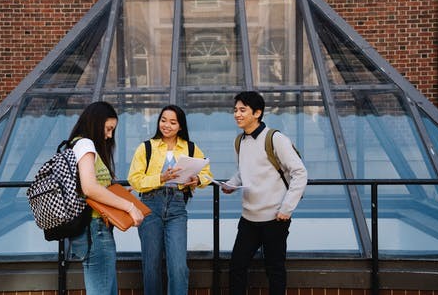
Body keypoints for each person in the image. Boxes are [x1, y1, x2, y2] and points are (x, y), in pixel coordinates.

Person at [222, 91, 307, 295]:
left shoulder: (275, 139)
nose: (237, 114)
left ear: (257, 112)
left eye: (243, 110)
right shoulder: (239, 141)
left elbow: (300, 173)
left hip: (275, 218)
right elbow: (244, 171)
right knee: (237, 267)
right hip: (248, 218)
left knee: (275, 270)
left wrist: (286, 209)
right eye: (235, 110)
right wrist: (231, 184)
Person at [128, 104, 213, 295]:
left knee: (179, 267)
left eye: (173, 122)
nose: (166, 125)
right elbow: (135, 179)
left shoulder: (190, 147)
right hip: (150, 205)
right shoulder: (146, 147)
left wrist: (197, 179)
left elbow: (207, 174)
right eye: (163, 120)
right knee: (151, 266)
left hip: (177, 207)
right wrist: (161, 178)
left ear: (180, 126)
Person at [69, 101, 144, 295]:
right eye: (108, 128)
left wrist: (116, 195)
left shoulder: (78, 144)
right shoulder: (85, 144)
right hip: (96, 230)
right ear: (95, 122)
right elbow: (90, 188)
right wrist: (129, 206)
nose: (109, 135)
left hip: (94, 230)